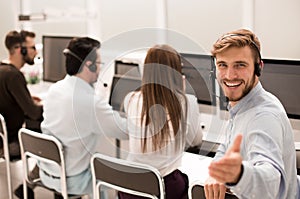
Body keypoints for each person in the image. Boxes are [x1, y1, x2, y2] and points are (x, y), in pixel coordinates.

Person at [204, 29, 299, 199]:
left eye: (240, 65)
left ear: (258, 68)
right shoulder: (241, 106)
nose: (229, 75)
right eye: (222, 65)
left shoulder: (263, 116)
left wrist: (239, 175)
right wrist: (217, 171)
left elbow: (270, 182)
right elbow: (226, 147)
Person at [38, 37, 128, 198]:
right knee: (106, 176)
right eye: (99, 64)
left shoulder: (54, 90)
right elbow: (123, 131)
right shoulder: (90, 102)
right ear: (89, 65)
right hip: (72, 181)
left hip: (47, 172)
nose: (100, 69)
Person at [119, 44, 203, 199]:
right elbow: (195, 140)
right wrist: (182, 93)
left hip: (129, 187)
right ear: (177, 72)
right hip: (165, 188)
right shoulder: (187, 102)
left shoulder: (130, 99)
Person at [0, 30, 43, 160]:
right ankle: (38, 175)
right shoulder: (14, 76)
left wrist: (28, 100)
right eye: (33, 48)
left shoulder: (3, 70)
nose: (36, 52)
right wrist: (51, 105)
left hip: (2, 138)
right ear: (20, 50)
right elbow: (34, 113)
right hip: (12, 144)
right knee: (54, 133)